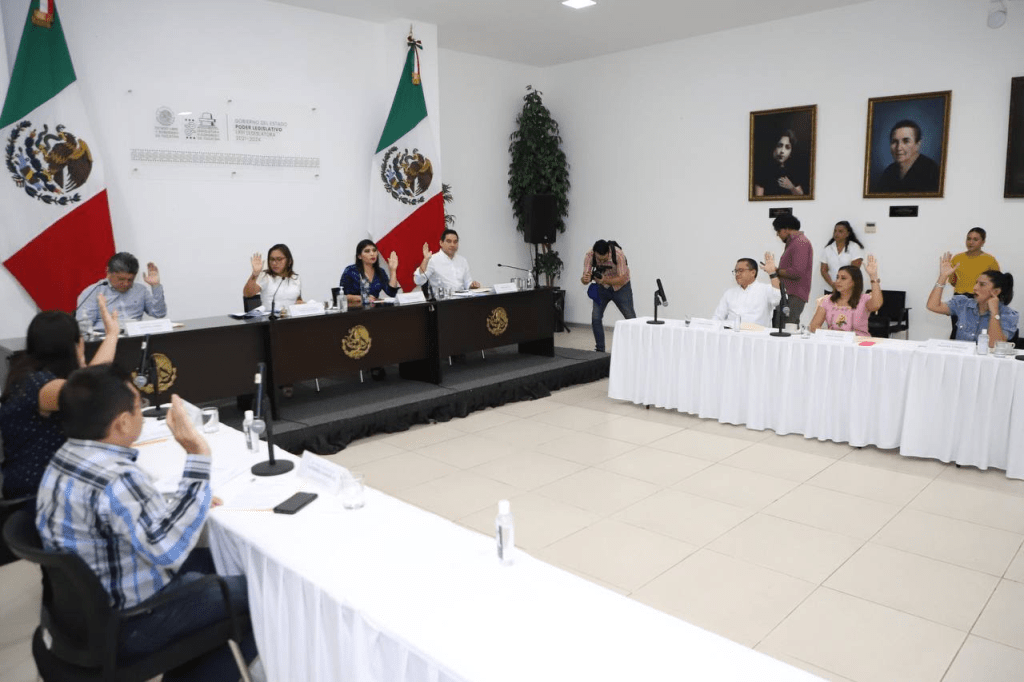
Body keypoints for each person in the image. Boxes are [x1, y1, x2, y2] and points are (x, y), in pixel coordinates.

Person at [36, 366, 257, 681]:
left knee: (217, 561)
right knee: (260, 596)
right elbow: (167, 551)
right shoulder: (118, 479)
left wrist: (190, 499)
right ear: (122, 422)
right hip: (131, 622)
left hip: (78, 618)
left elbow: (123, 519)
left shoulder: (63, 457)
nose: (142, 411)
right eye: (138, 406)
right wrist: (197, 453)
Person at [0, 296, 119, 499]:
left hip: (52, 483)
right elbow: (92, 389)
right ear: (75, 345)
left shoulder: (28, 374)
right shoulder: (39, 385)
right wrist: (112, 336)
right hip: (36, 493)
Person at [928, 252, 1018, 346]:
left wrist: (994, 313)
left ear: (996, 291)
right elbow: (932, 306)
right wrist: (943, 277)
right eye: (976, 283)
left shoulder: (1008, 314)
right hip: (962, 355)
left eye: (982, 284)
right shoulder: (963, 303)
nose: (975, 288)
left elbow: (993, 345)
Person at [77, 252, 166, 327]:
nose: (126, 284)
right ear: (108, 272)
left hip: (135, 337)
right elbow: (83, 326)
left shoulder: (140, 290)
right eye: (121, 279)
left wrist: (156, 286)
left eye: (130, 280)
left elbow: (159, 314)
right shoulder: (93, 292)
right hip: (106, 337)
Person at [581, 239, 635, 353]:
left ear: (608, 252)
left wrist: (605, 279)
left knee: (631, 318)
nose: (601, 262)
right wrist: (585, 279)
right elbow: (585, 278)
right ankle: (600, 350)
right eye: (599, 259)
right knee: (596, 317)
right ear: (595, 253)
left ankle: (637, 348)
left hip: (621, 288)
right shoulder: (590, 255)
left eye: (604, 259)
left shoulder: (618, 254)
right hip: (602, 288)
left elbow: (622, 279)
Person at [809, 256, 883, 337]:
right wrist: (831, 334)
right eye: (837, 277)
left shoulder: (864, 299)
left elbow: (876, 305)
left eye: (843, 278)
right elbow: (813, 326)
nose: (838, 281)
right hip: (834, 341)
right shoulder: (827, 300)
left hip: (858, 342)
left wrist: (873, 276)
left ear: (854, 282)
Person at [712, 254, 782, 328]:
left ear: (753, 273)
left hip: (757, 334)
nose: (737, 274)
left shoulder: (765, 289)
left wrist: (772, 273)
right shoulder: (729, 293)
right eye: (736, 271)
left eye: (741, 270)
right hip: (731, 332)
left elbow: (778, 298)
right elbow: (717, 317)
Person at [874, 119, 941, 194]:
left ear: (917, 145)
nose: (899, 148)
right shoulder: (888, 172)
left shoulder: (931, 171)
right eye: (894, 142)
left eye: (906, 141)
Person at [772, 214, 813, 325]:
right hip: (789, 294)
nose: (777, 235)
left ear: (785, 229)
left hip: (794, 295)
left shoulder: (800, 242)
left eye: (778, 231)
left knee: (786, 328)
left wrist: (776, 271)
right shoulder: (794, 242)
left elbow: (797, 272)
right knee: (782, 326)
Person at [413, 228, 480, 294]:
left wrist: (472, 285)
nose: (452, 245)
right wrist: (425, 260)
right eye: (449, 241)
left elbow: (467, 283)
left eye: (455, 242)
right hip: (442, 299)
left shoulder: (462, 261)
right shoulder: (432, 260)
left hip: (462, 298)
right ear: (441, 243)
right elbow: (418, 281)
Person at [243, 243, 303, 312]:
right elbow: (248, 294)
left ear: (289, 261)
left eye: (279, 259)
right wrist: (254, 274)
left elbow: (298, 299)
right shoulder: (266, 277)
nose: (274, 263)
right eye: (272, 259)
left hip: (291, 317)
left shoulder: (295, 278)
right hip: (271, 317)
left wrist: (301, 303)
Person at [340, 239, 399, 308]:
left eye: (374, 250)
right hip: (354, 310)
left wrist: (393, 271)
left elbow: (391, 293)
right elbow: (342, 295)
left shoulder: (380, 271)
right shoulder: (350, 271)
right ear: (359, 256)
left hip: (374, 310)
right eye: (367, 251)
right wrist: (363, 298)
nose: (372, 254)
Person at [948, 227, 1000, 297]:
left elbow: (997, 283)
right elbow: (952, 281)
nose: (971, 242)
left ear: (983, 242)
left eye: (975, 239)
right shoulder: (957, 258)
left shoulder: (990, 260)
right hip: (958, 298)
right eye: (968, 239)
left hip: (979, 298)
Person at [753, 129, 806, 197]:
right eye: (779, 146)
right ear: (773, 147)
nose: (782, 151)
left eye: (787, 147)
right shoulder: (762, 170)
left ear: (790, 152)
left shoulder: (793, 171)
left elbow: (801, 197)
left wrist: (792, 188)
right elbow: (758, 199)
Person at [820, 221, 865, 293]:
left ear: (847, 234)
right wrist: (832, 284)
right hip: (831, 289)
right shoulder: (828, 249)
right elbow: (823, 270)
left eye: (840, 231)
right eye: (835, 231)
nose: (836, 234)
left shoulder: (854, 247)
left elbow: (855, 270)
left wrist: (843, 285)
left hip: (849, 289)